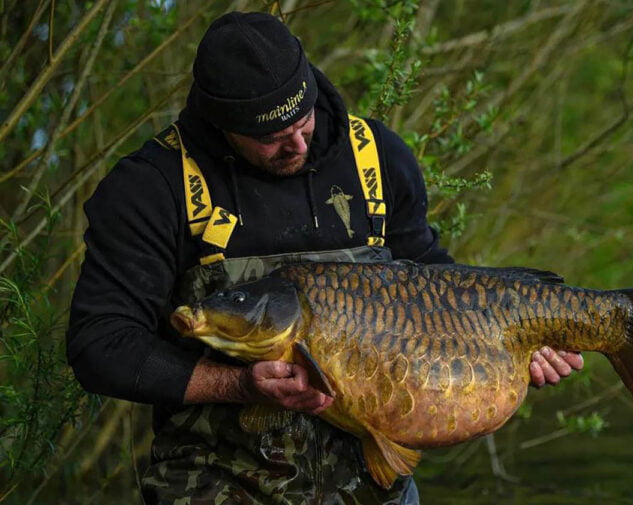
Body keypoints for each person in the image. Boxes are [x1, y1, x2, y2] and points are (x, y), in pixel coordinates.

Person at [66, 11, 583, 505]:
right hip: (215, 483)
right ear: (221, 122)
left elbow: (435, 281)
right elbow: (101, 345)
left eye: (304, 118)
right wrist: (235, 384)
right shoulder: (152, 187)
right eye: (270, 137)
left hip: (373, 487)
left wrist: (511, 341)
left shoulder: (376, 155)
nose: (297, 143)